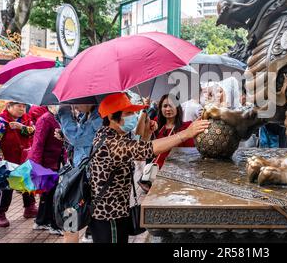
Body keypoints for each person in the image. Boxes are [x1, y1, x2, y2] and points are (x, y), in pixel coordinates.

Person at [89, 93, 209, 243]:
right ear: (112, 117)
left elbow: (138, 154)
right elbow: (147, 149)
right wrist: (186, 133)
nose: (133, 116)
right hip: (108, 214)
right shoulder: (111, 143)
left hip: (117, 210)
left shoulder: (113, 135)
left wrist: (148, 133)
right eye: (128, 113)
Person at [57, 104, 102, 243]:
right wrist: (65, 137)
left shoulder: (99, 118)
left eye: (77, 101)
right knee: (70, 225)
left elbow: (77, 138)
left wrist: (63, 111)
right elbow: (81, 144)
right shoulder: (86, 116)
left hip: (88, 181)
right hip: (78, 177)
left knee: (71, 224)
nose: (74, 105)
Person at [0, 102, 37, 228]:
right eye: (18, 106)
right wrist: (0, 161)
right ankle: (0, 213)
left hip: (24, 158)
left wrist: (21, 127)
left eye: (24, 107)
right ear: (9, 107)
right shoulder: (1, 122)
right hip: (6, 161)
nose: (22, 109)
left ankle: (29, 208)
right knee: (7, 188)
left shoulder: (26, 120)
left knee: (27, 183)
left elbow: (33, 132)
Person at [28, 105, 66, 235]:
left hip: (55, 162)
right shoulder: (45, 119)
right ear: (50, 105)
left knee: (48, 194)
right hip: (46, 164)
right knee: (52, 194)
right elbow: (38, 143)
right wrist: (36, 167)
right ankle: (54, 225)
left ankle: (41, 221)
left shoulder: (58, 118)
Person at [153, 94, 196, 169]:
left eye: (171, 105)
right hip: (155, 169)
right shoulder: (156, 124)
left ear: (177, 107)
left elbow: (190, 153)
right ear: (160, 109)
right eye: (165, 106)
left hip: (176, 171)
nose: (168, 109)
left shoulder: (186, 128)